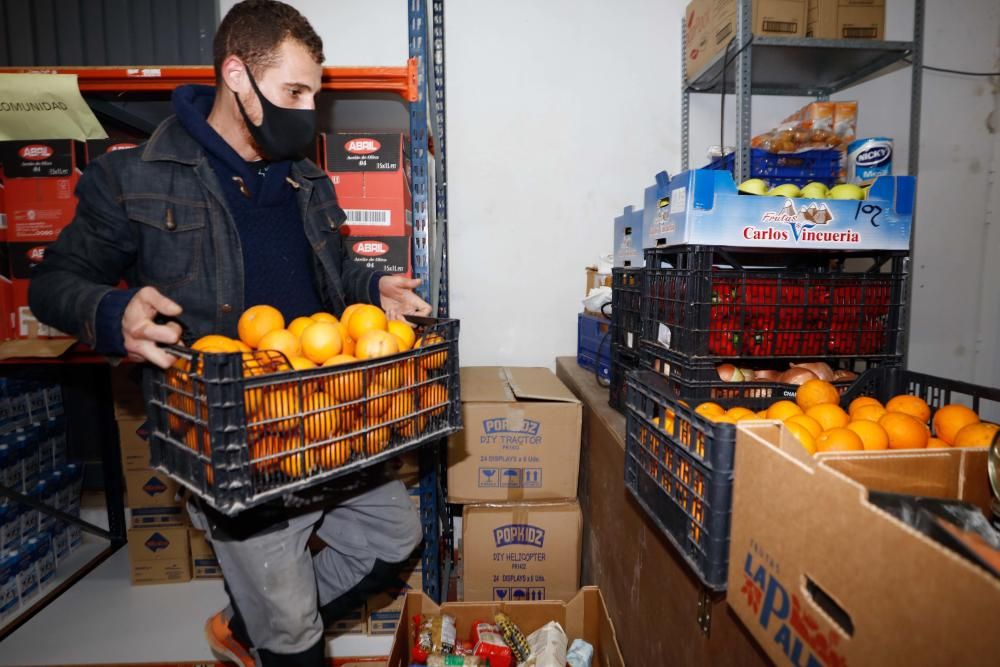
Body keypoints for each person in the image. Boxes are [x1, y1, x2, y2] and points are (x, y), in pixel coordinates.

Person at [29, 1, 430, 665]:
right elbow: (52, 283)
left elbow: (335, 278)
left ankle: (251, 624)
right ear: (237, 76)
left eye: (314, 94)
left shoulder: (307, 179)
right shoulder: (134, 178)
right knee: (296, 639)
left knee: (394, 537)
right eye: (293, 92)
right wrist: (111, 311)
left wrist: (370, 289)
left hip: (322, 422)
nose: (307, 110)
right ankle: (277, 631)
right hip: (230, 445)